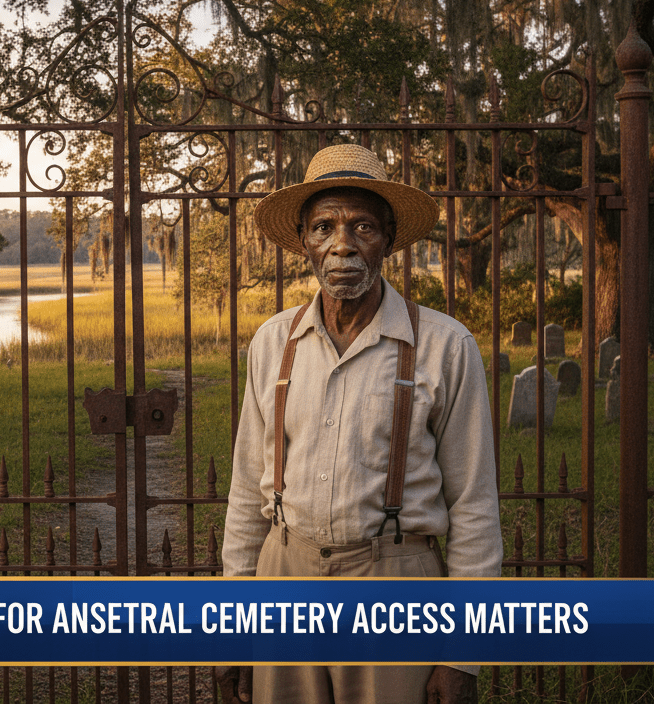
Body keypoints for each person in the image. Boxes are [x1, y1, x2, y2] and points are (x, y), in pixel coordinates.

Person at [215, 144, 502, 704]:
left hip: (396, 581)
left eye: (362, 225)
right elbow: (247, 496)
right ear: (304, 242)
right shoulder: (273, 342)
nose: (342, 243)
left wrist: (462, 654)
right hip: (283, 578)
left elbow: (474, 506)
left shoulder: (444, 346)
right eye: (324, 226)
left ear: (389, 239)